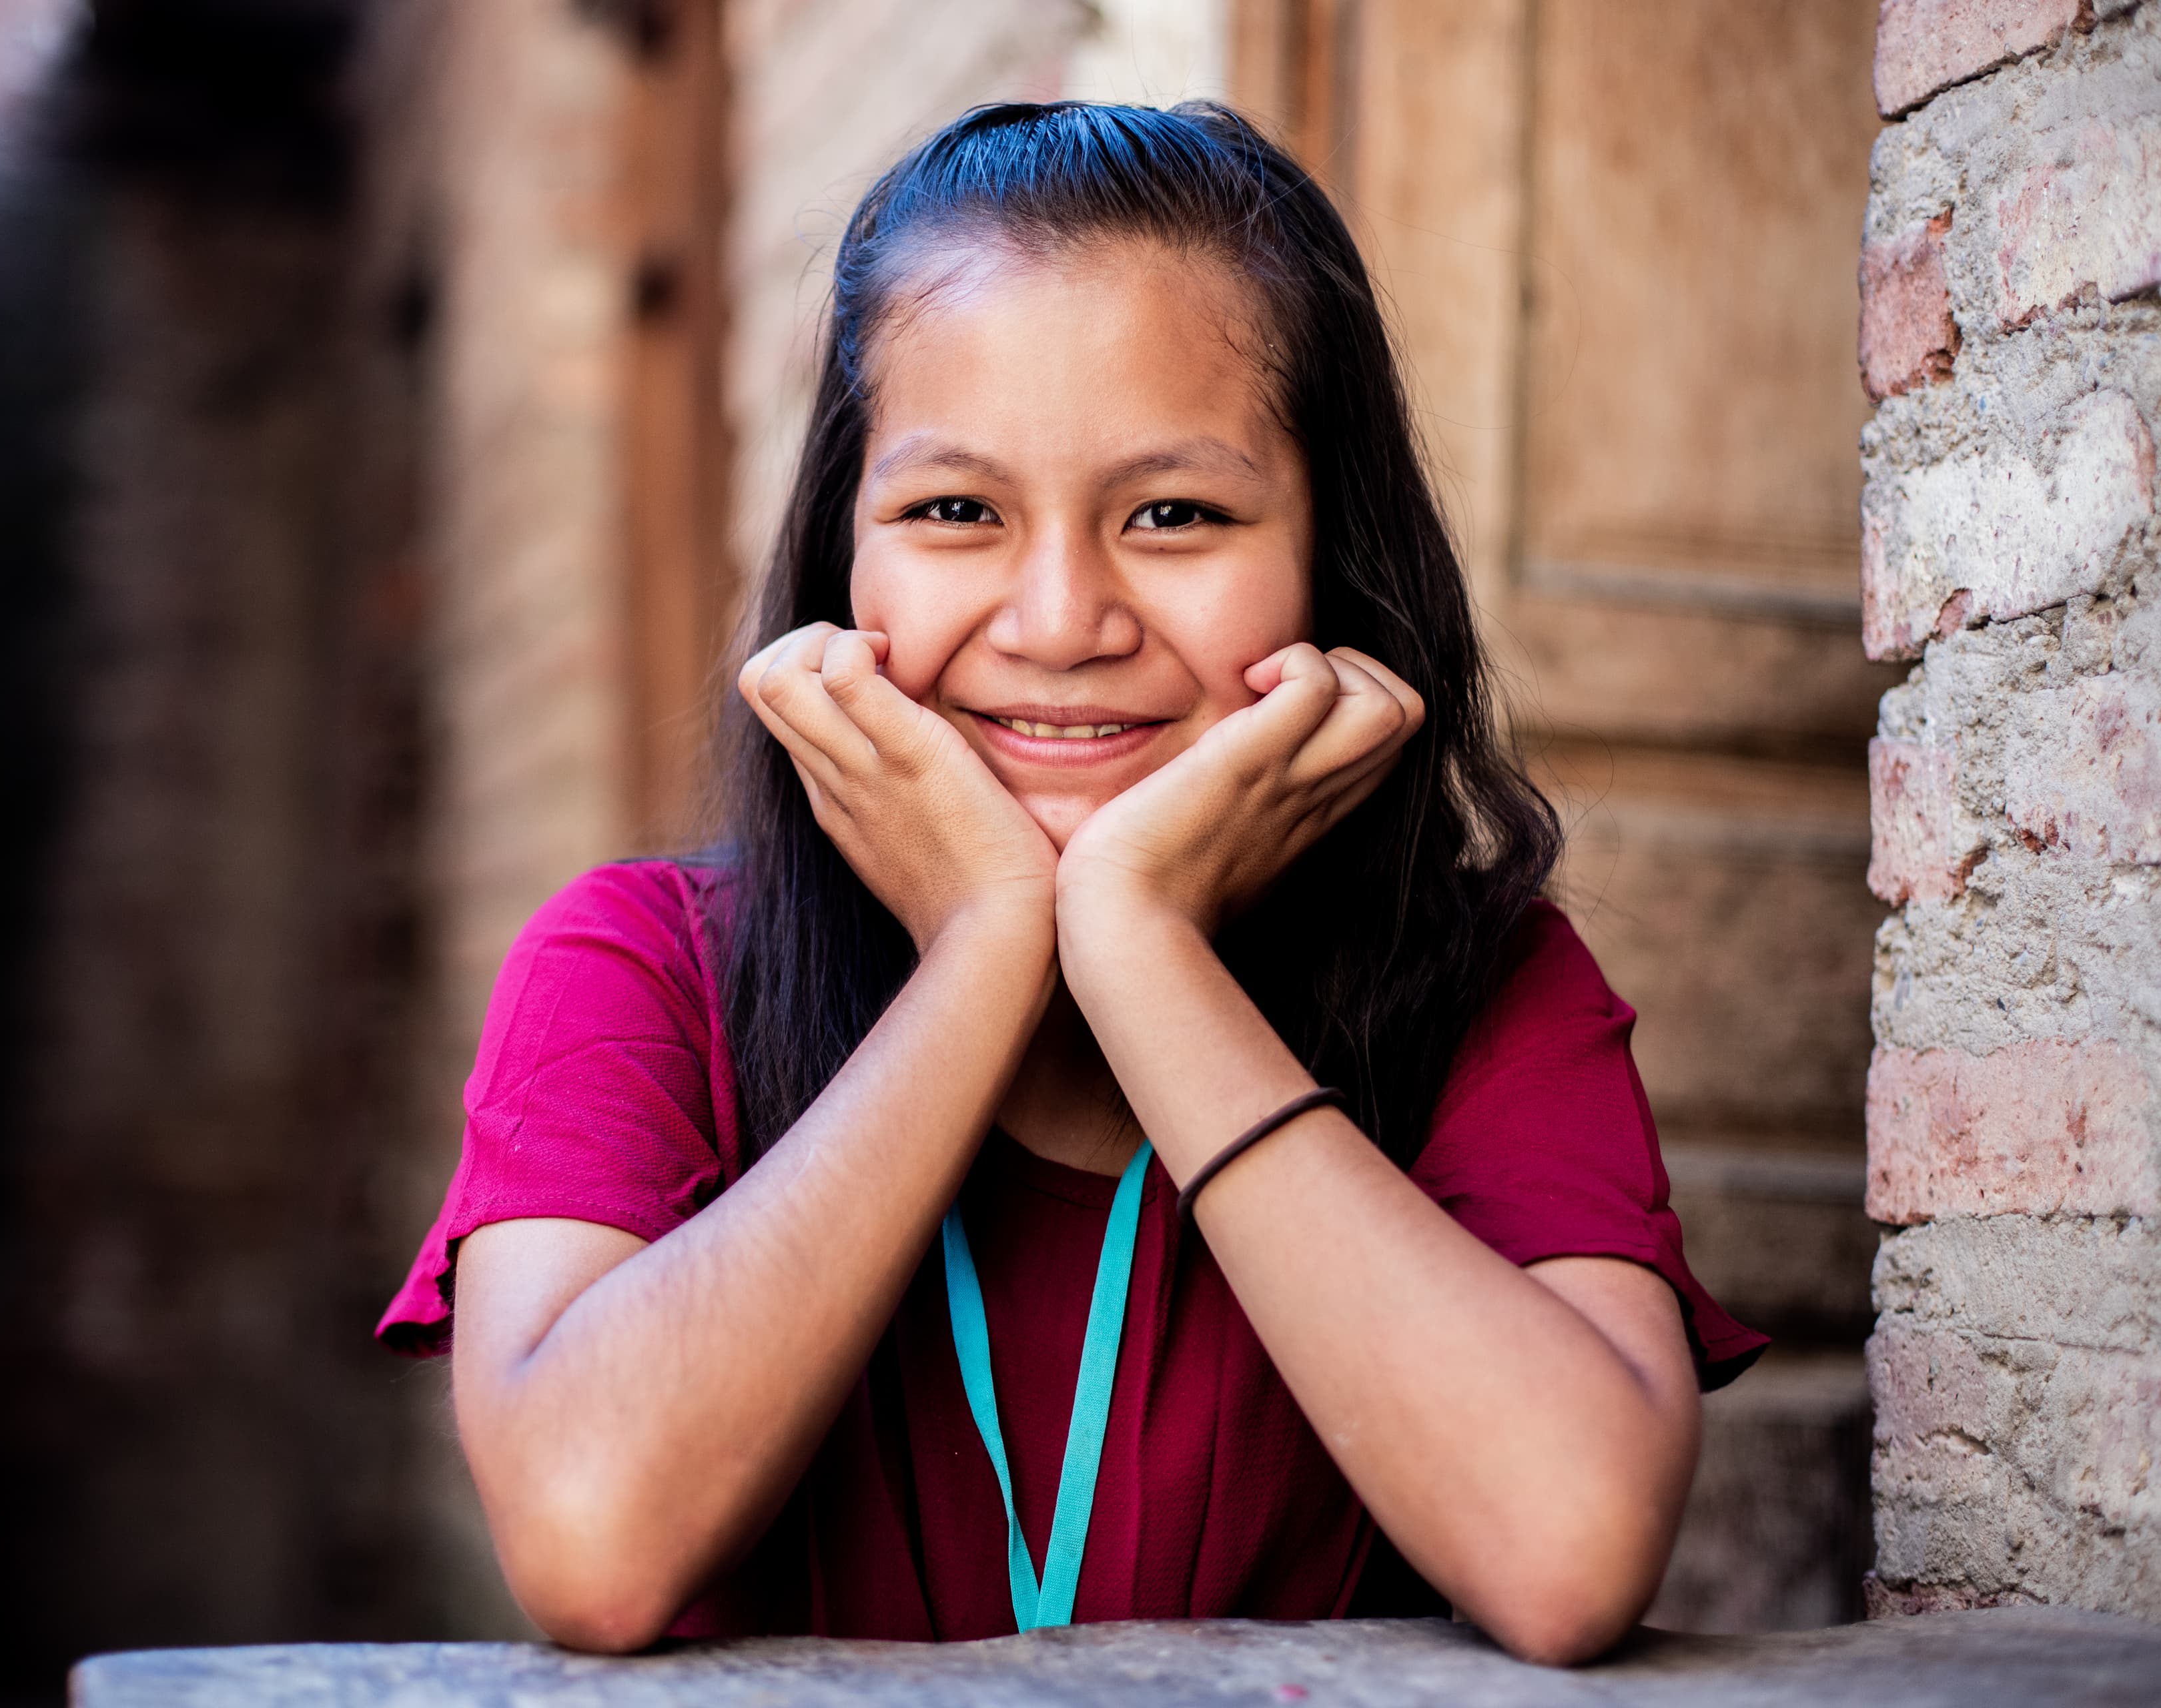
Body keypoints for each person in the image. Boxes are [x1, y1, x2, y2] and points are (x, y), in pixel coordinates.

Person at [378, 101, 1762, 1662]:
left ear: (1330, 558)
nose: (1058, 617)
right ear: (850, 554)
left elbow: (1570, 1546)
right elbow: (588, 1536)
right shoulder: (639, 970)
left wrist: (1143, 947)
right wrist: (981, 949)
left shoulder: (1483, 988)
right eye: (956, 510)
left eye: (1175, 513)